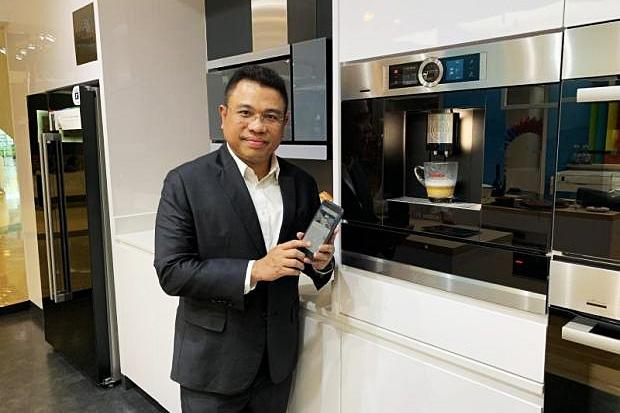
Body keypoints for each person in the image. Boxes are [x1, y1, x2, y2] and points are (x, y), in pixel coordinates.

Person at [154, 65, 335, 412]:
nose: (258, 126)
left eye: (271, 116)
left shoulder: (301, 183)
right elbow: (172, 272)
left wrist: (321, 264)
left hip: (277, 362)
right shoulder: (185, 182)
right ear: (223, 116)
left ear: (285, 122)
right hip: (213, 366)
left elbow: (309, 263)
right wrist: (254, 270)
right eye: (246, 113)